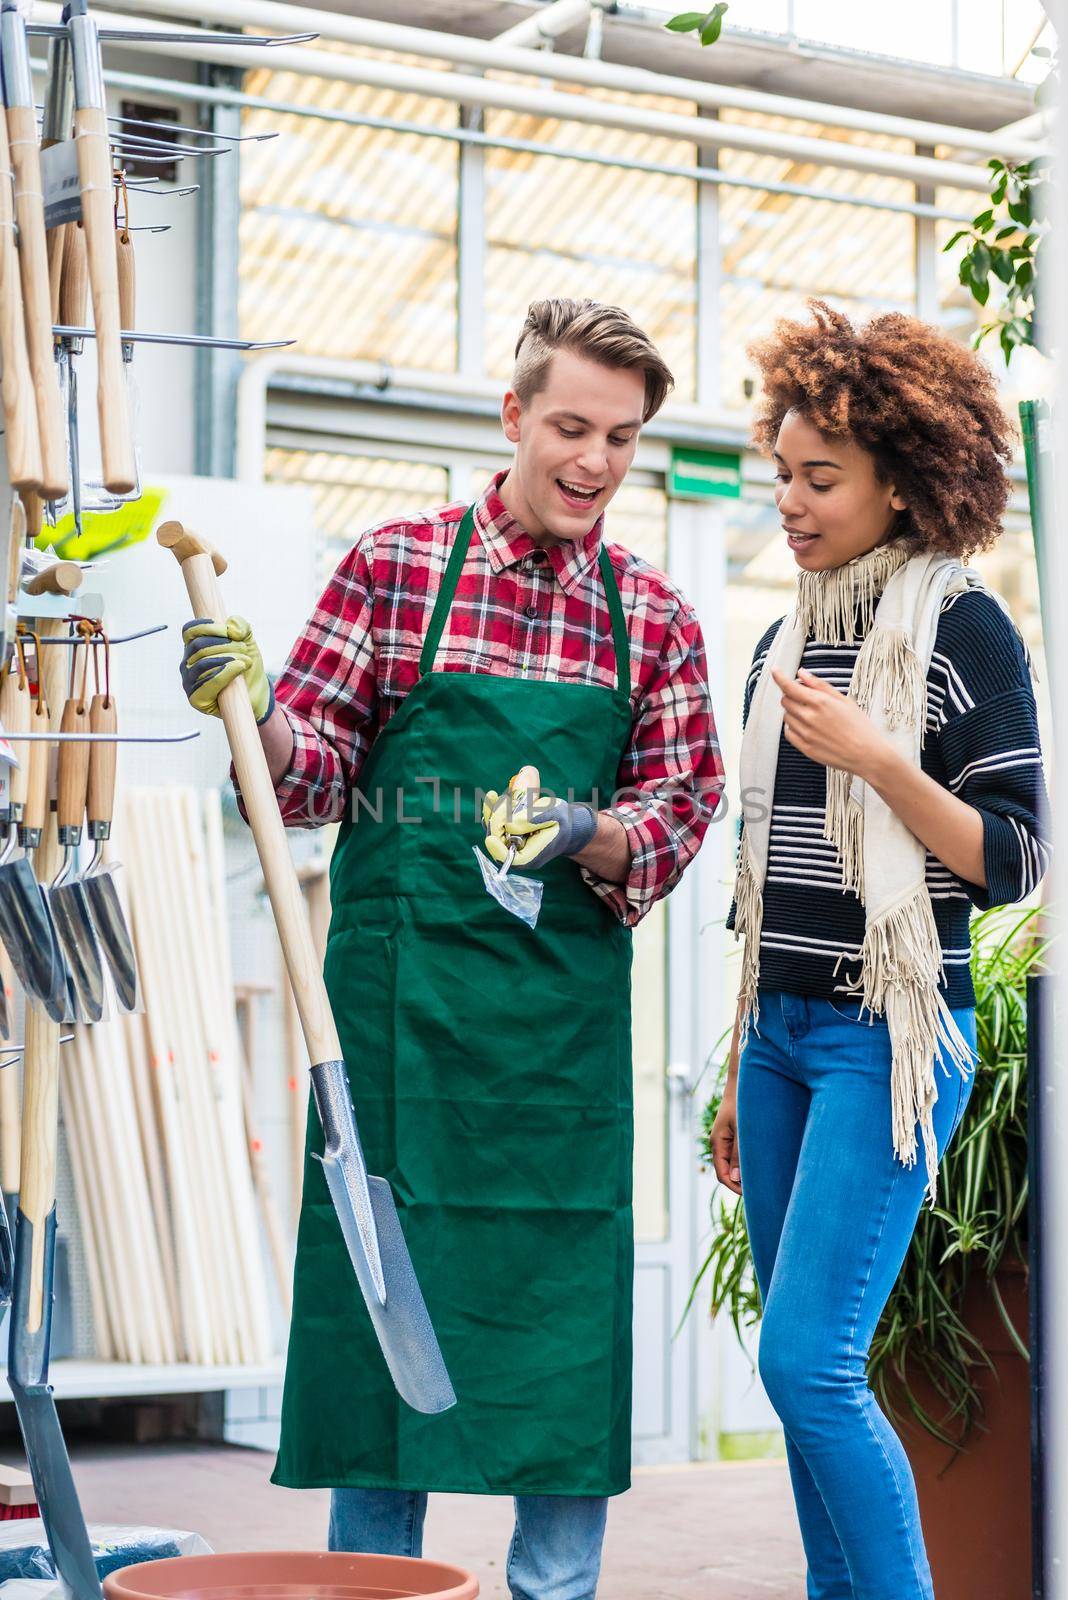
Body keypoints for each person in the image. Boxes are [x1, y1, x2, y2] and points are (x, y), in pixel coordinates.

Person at [179, 298, 723, 1600]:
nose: (595, 463)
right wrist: (246, 712)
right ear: (514, 417)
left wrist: (585, 828)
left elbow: (686, 805)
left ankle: (557, 1591)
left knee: (556, 1349)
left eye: (623, 440)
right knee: (387, 1338)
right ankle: (374, 1588)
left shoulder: (651, 617)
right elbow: (307, 778)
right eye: (572, 428)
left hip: (555, 1074)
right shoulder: (396, 569)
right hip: (399, 1049)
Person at [711, 299, 1050, 1600]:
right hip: (783, 1036)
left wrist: (881, 761)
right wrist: (733, 1064)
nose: (789, 502)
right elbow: (764, 895)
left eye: (820, 478)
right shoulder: (779, 646)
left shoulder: (964, 634)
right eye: (781, 473)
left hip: (889, 1042)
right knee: (799, 1383)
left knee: (810, 1364)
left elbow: (1015, 861)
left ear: (902, 484)